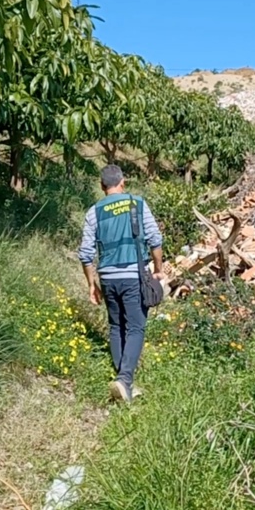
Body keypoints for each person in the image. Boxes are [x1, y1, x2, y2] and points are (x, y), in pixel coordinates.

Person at [77, 164, 164, 403]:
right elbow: (155, 240)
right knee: (136, 327)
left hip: (107, 278)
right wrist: (158, 269)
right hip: (132, 275)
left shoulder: (94, 212)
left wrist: (92, 285)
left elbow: (85, 254)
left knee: (116, 326)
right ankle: (125, 379)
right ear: (123, 182)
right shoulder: (137, 204)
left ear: (102, 186)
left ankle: (124, 382)